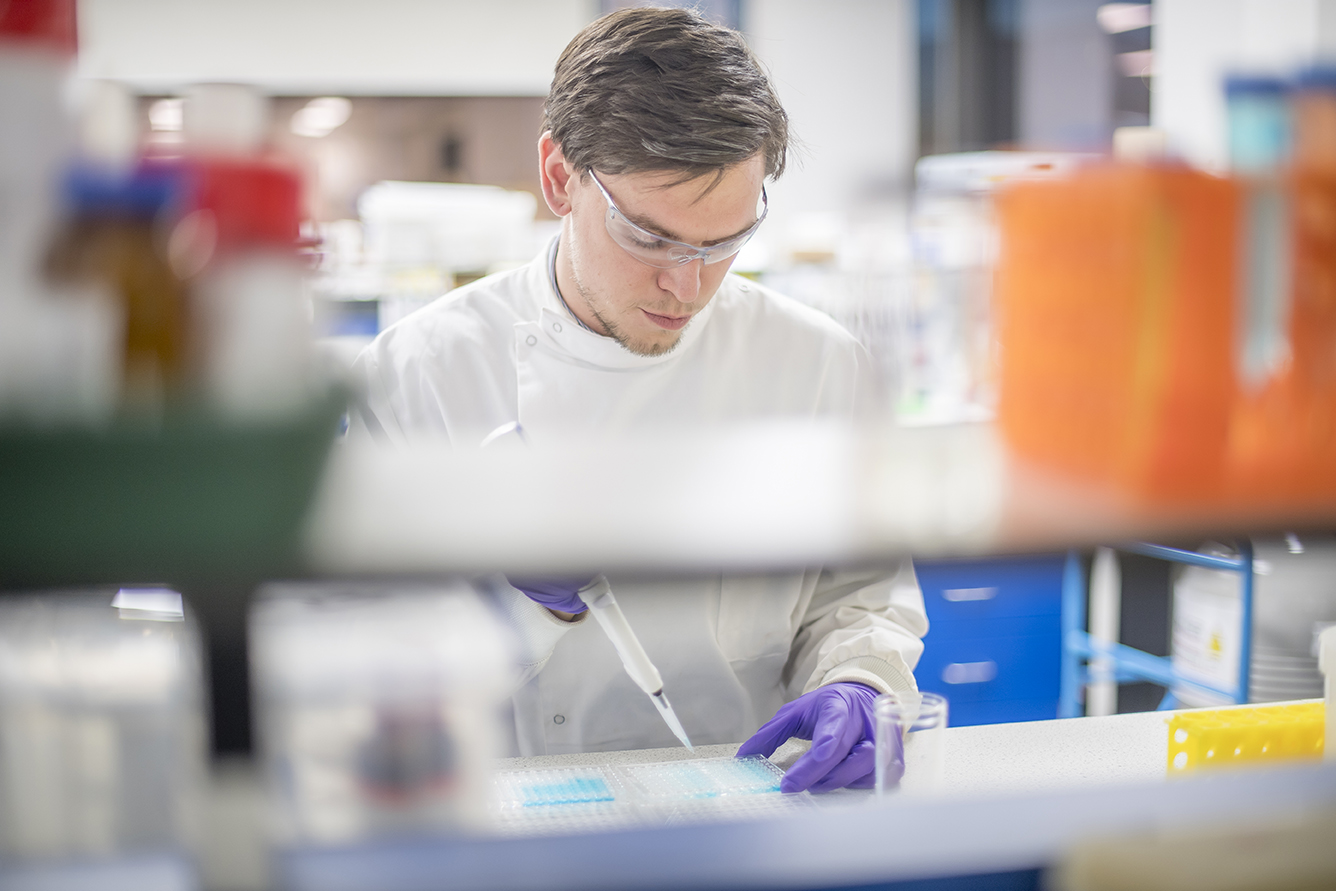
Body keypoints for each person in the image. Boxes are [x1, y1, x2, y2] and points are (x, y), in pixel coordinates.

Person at [352, 6, 927, 793]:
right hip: (504, 822)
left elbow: (860, 593)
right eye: (651, 239)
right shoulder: (420, 370)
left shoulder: (818, 365)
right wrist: (513, 610)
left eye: (724, 242)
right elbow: (360, 667)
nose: (686, 285)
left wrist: (862, 681)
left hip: (748, 808)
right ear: (560, 178)